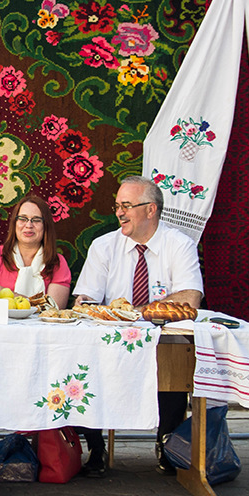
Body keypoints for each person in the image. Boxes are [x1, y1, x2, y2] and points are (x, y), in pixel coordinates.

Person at [72, 175, 203, 477]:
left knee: (173, 360)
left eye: (127, 206)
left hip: (160, 340)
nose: (119, 213)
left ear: (151, 210)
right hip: (110, 341)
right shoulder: (103, 246)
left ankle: (167, 443)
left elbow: (190, 298)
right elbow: (85, 301)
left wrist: (135, 312)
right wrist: (106, 312)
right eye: (118, 206)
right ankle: (95, 446)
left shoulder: (179, 245)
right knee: (81, 361)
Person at [0, 193, 71, 307]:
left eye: (36, 220)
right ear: (14, 223)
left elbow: (54, 308)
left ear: (46, 226)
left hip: (41, 325)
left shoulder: (57, 262)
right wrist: (36, 303)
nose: (29, 225)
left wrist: (12, 296)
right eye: (22, 218)